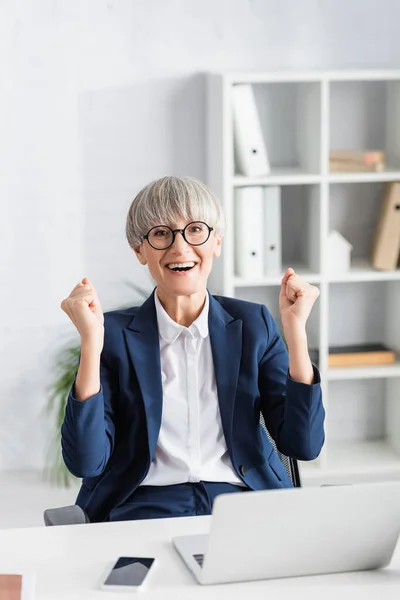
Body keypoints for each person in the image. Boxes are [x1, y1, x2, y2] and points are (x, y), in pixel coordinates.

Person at [60, 175, 325, 523]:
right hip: (143, 505)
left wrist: (296, 333)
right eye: (160, 233)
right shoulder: (112, 335)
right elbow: (86, 461)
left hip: (244, 500)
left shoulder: (253, 324)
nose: (180, 247)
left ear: (216, 242)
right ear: (140, 250)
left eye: (195, 229)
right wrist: (92, 343)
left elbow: (303, 445)